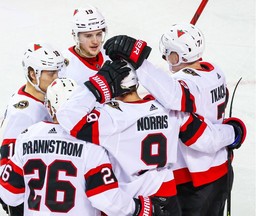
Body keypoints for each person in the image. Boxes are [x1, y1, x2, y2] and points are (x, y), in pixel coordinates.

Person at [56, 59, 245, 216]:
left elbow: (67, 116)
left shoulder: (111, 118)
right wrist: (234, 132)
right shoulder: (170, 110)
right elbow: (205, 139)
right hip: (168, 201)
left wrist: (98, 85)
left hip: (132, 204)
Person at [103, 23, 247, 216]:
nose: (165, 58)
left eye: (169, 53)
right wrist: (234, 132)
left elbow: (174, 96)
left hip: (194, 179)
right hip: (221, 172)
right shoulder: (214, 71)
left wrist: (139, 61)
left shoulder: (186, 85)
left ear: (180, 55)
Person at [0, 77, 166, 216]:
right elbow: (105, 198)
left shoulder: (27, 137)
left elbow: (10, 195)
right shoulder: (91, 142)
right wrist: (138, 207)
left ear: (50, 107)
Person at [0, 42, 65, 215]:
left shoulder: (40, 97)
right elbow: (9, 160)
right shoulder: (24, 112)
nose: (57, 78)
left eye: (57, 71)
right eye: (51, 73)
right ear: (33, 74)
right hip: (25, 196)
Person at [59, 5, 110, 84]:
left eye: (99, 34)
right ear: (76, 36)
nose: (95, 41)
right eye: (88, 36)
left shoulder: (110, 55)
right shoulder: (62, 64)